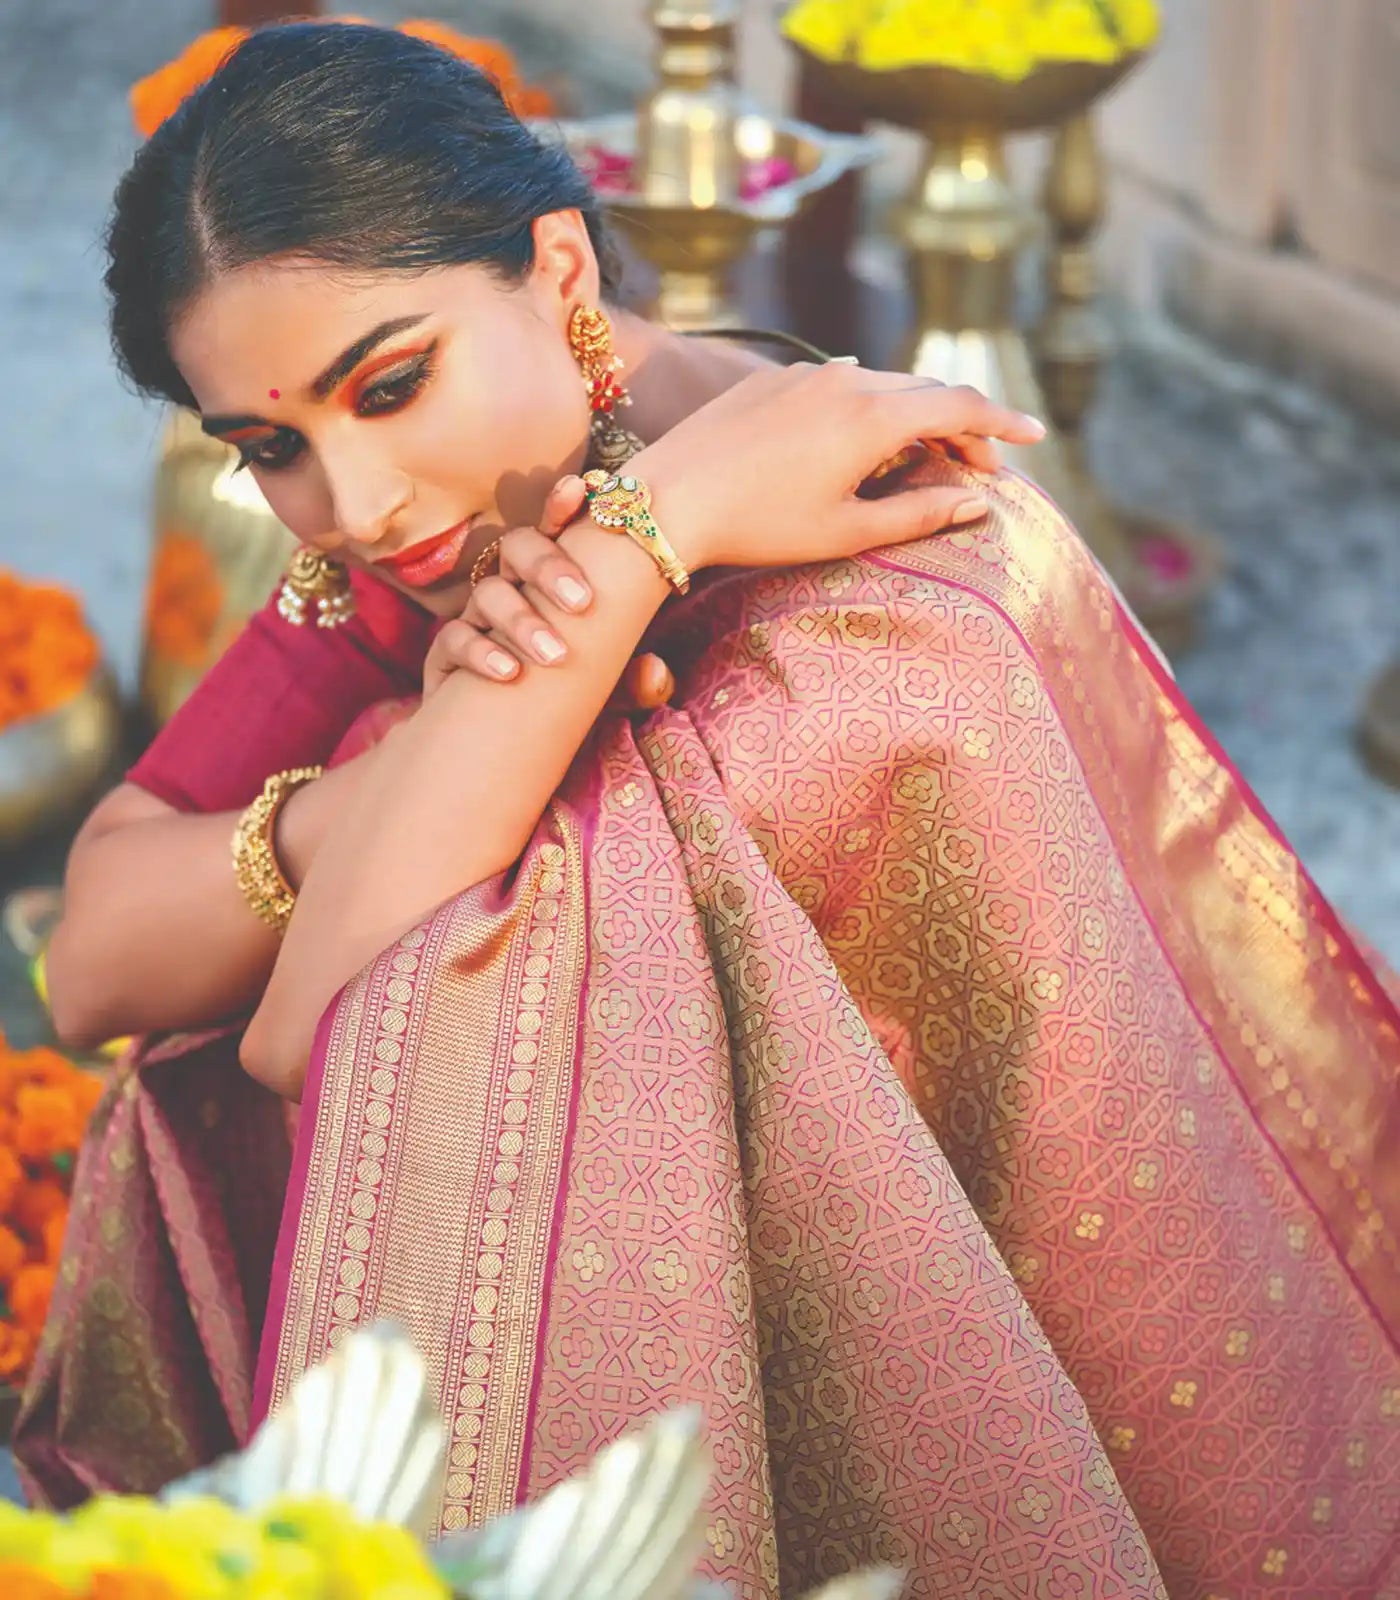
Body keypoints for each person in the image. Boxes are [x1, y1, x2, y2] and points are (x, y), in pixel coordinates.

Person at [18, 23, 1399, 1600]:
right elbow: (94, 965)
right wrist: (434, 731)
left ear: (559, 270)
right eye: (272, 449)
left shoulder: (871, 578)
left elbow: (305, 1020)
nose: (355, 503)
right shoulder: (458, 537)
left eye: (390, 385)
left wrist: (606, 575)